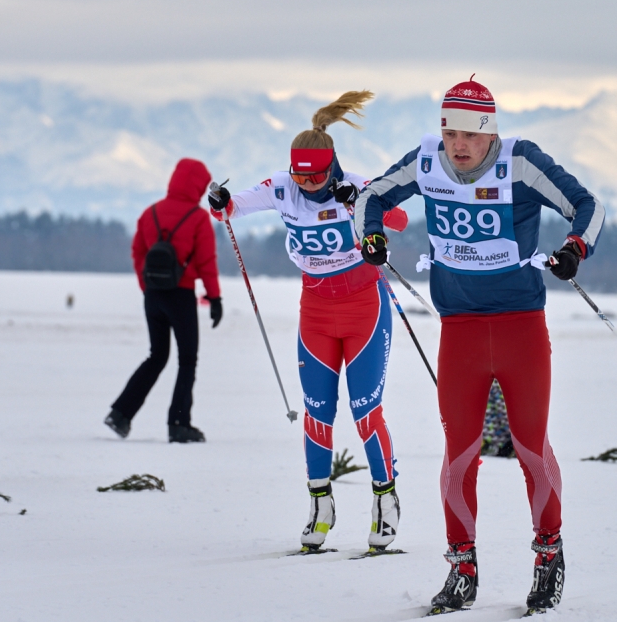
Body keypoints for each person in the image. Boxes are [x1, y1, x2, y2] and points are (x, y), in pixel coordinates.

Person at [353, 77, 605, 613]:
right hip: (460, 331)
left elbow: (587, 205)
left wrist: (574, 248)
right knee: (460, 455)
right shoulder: (427, 162)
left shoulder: (520, 162)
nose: (459, 145)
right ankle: (461, 569)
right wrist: (370, 235)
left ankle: (548, 555)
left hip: (520, 328)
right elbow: (371, 196)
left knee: (530, 448)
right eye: (450, 133)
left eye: (470, 134)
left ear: (491, 132)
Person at [208, 91, 410, 553]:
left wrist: (360, 201)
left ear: (333, 168)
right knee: (317, 412)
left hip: (364, 307)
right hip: (316, 310)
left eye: (316, 177)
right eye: (300, 177)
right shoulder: (283, 187)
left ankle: (385, 499)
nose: (307, 186)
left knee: (365, 410)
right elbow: (230, 208)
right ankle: (321, 505)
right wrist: (220, 200)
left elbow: (398, 219)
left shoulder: (354, 185)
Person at [104, 158, 223, 443]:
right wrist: (214, 297)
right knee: (187, 360)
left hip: (153, 297)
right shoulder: (197, 218)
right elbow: (206, 262)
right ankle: (178, 424)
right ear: (198, 185)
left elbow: (138, 253)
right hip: (181, 296)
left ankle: (120, 414)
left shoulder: (151, 213)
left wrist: (146, 287)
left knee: (156, 356)